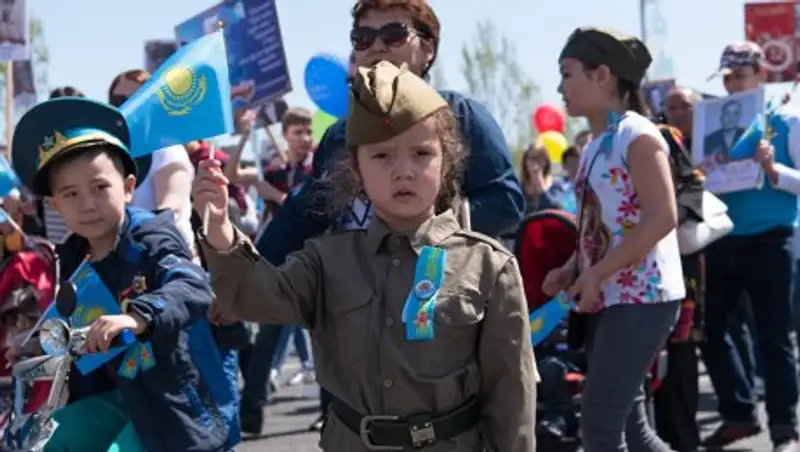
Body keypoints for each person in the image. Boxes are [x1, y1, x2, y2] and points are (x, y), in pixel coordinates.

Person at [195, 60, 536, 452]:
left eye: (422, 153)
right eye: (382, 157)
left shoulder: (489, 267)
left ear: (447, 163)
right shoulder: (325, 261)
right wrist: (221, 232)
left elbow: (511, 394)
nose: (403, 171)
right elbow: (258, 295)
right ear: (355, 169)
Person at [10, 97, 235, 451]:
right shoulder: (71, 257)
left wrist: (138, 318)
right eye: (70, 193)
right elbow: (76, 322)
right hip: (120, 394)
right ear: (53, 205)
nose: (87, 204)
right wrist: (39, 342)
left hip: (177, 402)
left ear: (129, 187)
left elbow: (191, 286)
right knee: (50, 439)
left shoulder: (150, 236)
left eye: (100, 187)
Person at [544, 27, 683, 451]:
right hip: (616, 296)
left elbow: (662, 218)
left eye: (567, 74)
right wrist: (573, 268)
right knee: (628, 431)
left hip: (644, 296)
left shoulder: (637, 135)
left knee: (600, 428)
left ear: (602, 75)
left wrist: (597, 272)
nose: (559, 87)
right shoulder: (594, 146)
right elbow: (600, 226)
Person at [700, 41, 800, 451]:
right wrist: (699, 173)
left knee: (773, 337)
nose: (733, 83)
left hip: (769, 240)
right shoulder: (709, 126)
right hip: (720, 239)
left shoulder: (786, 120)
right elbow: (699, 186)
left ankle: (784, 430)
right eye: (727, 76)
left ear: (760, 75)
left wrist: (772, 169)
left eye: (740, 74)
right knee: (710, 330)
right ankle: (739, 414)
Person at [108, 69, 196, 257]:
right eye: (118, 101)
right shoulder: (112, 155)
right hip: (125, 262)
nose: (127, 108)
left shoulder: (167, 150)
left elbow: (169, 212)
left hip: (167, 260)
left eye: (137, 100)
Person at [521, 144, 569, 215]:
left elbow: (556, 209)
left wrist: (540, 184)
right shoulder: (519, 188)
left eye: (540, 158)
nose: (536, 162)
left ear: (547, 161)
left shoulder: (556, 185)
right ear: (525, 162)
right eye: (532, 158)